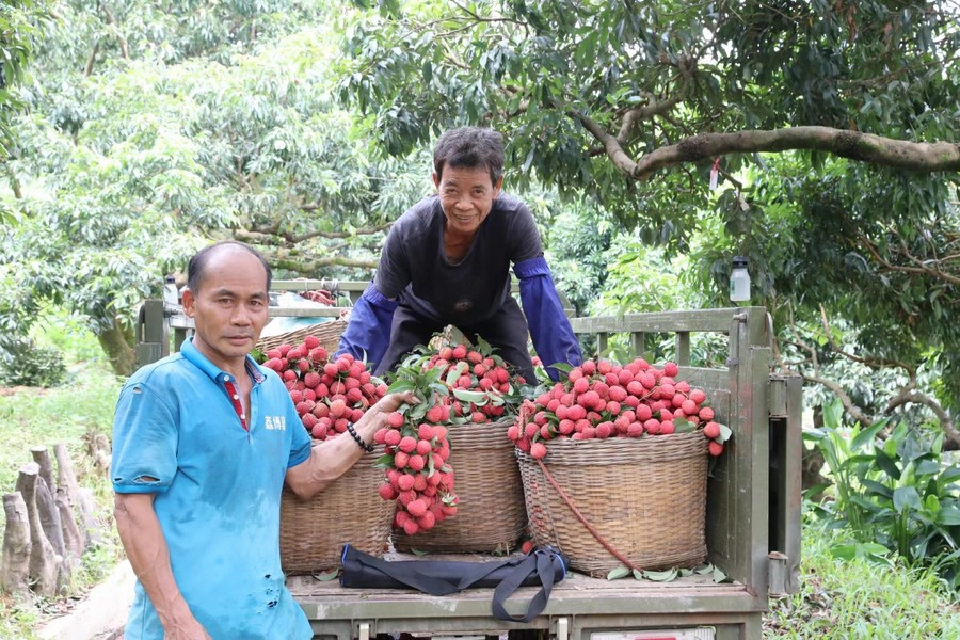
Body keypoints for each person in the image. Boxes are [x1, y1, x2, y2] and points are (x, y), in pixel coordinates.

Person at [111, 240, 414, 640]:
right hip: (190, 627)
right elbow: (132, 510)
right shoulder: (156, 388)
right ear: (189, 303)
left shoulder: (270, 386)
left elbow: (305, 475)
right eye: (225, 301)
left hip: (272, 623)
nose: (241, 317)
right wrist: (177, 620)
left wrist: (375, 418)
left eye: (255, 302)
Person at [337, 126, 581, 382]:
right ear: (437, 183)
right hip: (418, 311)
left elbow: (541, 299)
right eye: (452, 190)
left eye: (477, 191)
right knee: (387, 381)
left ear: (496, 187)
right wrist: (343, 375)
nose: (464, 205)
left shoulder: (513, 220)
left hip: (491, 311)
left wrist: (571, 379)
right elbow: (375, 309)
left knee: (521, 384)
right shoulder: (410, 230)